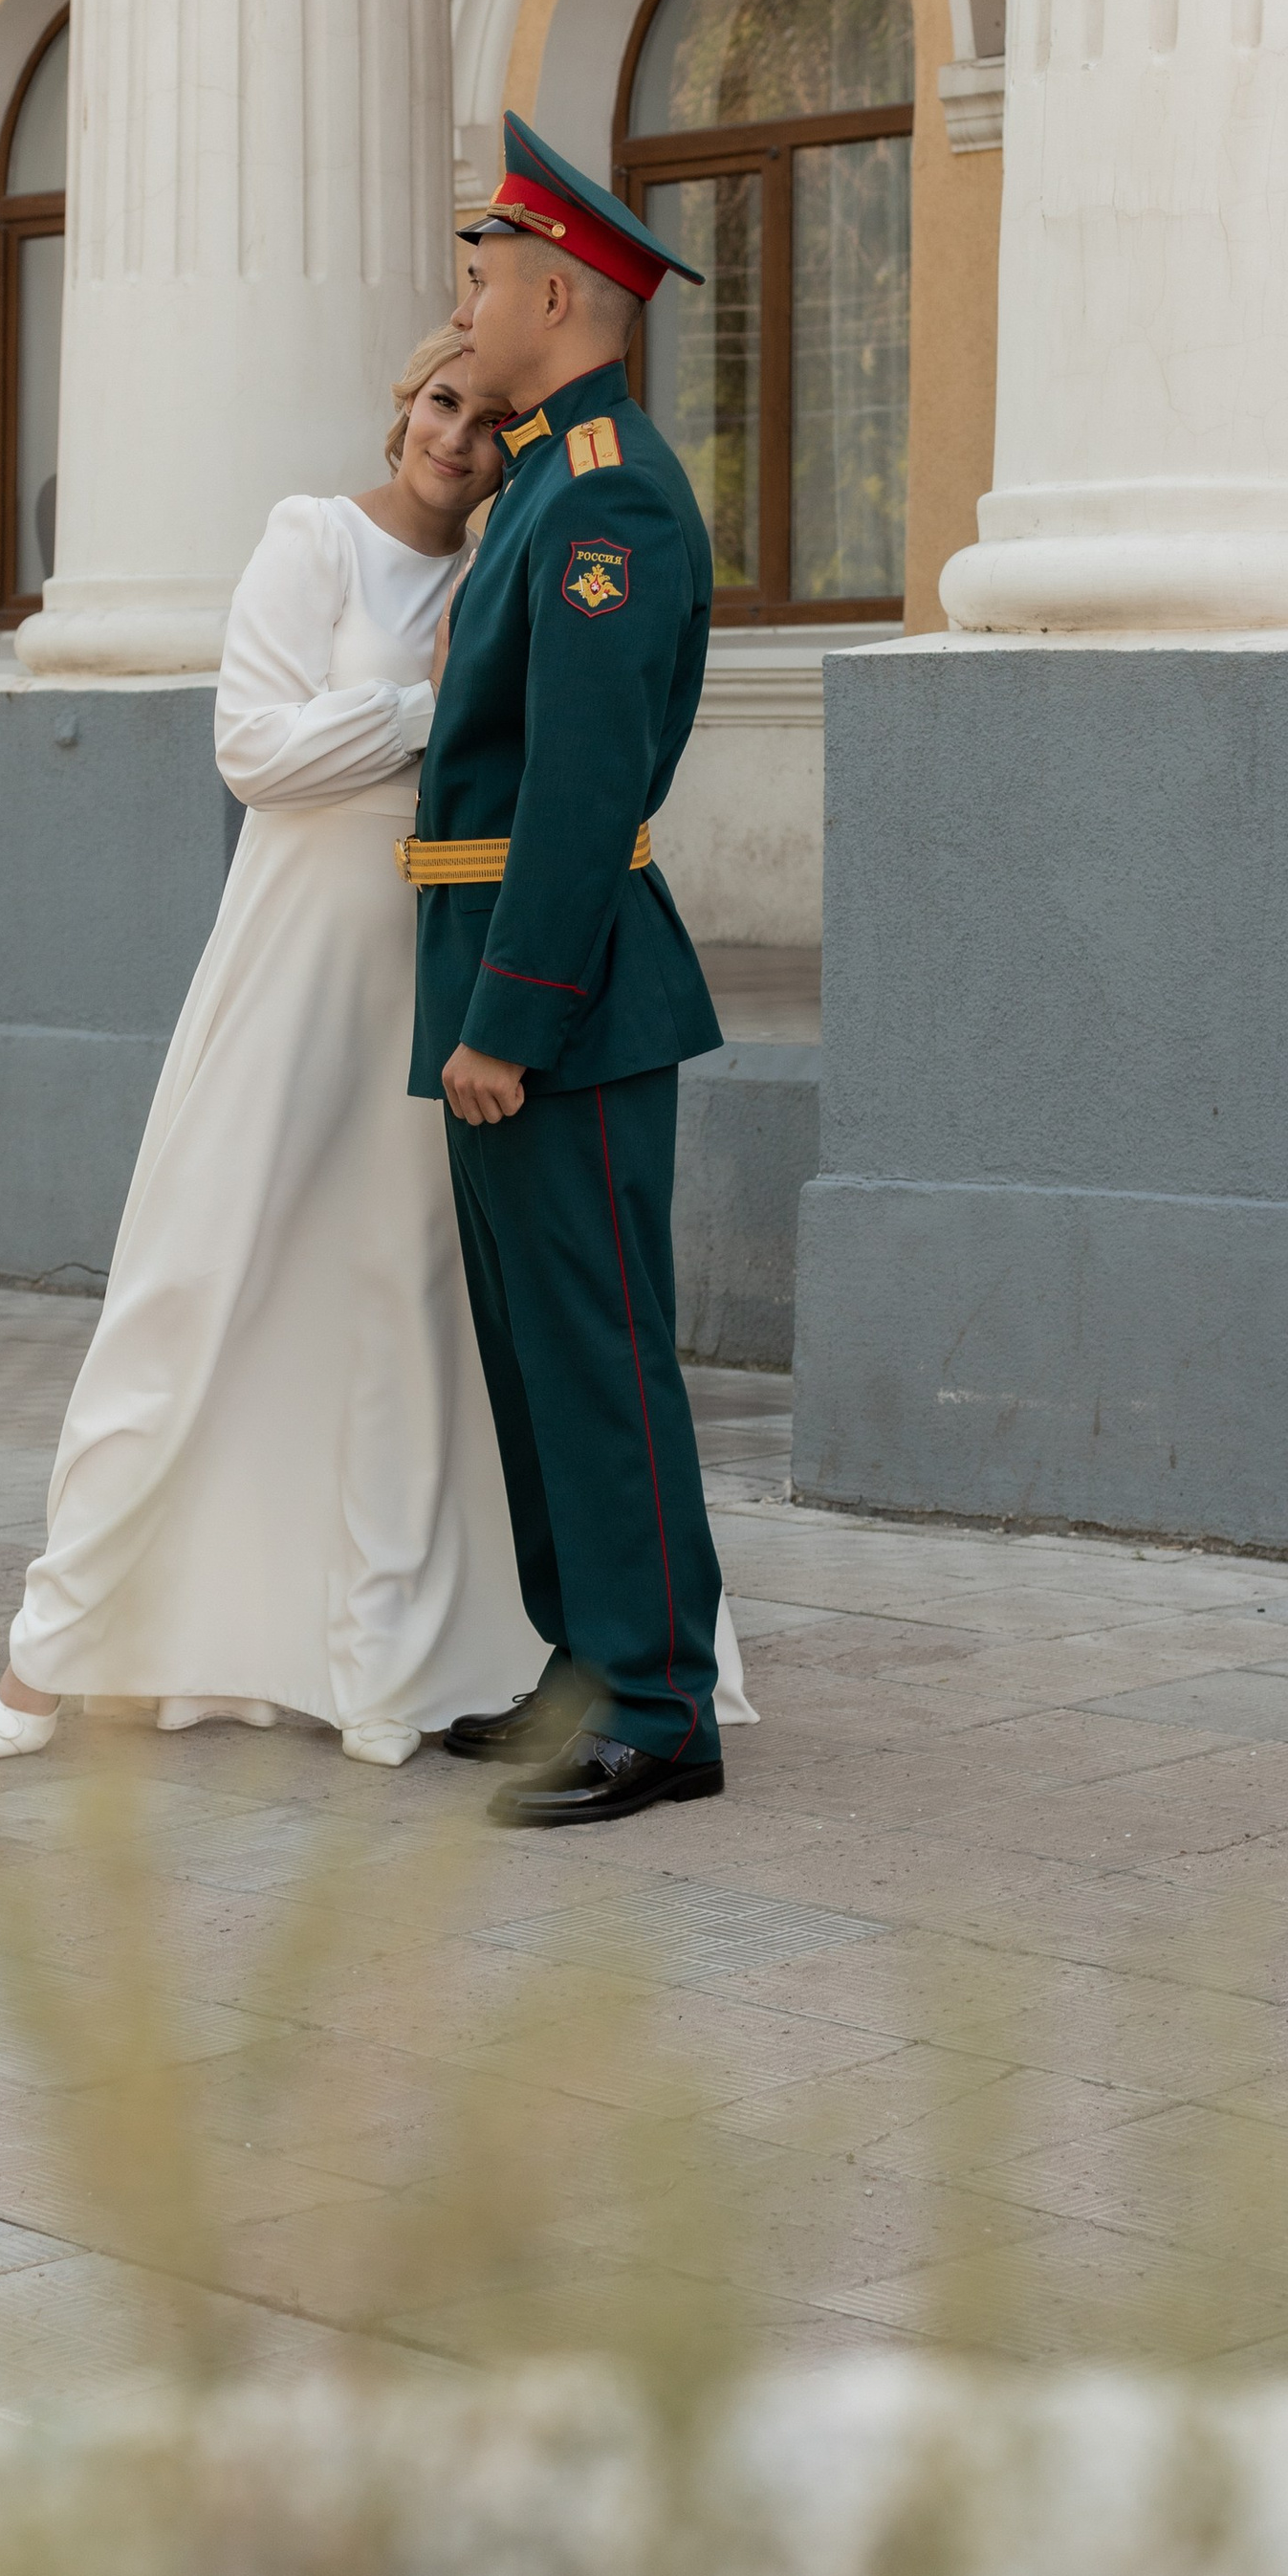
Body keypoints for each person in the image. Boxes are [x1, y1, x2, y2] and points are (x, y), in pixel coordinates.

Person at [0, 332, 541, 1769]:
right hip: (286, 966)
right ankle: (51, 1651)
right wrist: (429, 707)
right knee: (197, 1272)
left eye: (489, 422)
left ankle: (378, 1662)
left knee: (400, 1296)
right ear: (404, 403)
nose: (457, 438)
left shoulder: (497, 579)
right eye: (443, 403)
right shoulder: (314, 541)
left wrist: (431, 715)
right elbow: (258, 753)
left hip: (419, 970)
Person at [410, 109, 736, 1831]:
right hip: (507, 975)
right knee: (537, 1354)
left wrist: (512, 1014)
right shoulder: (543, 476)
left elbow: (583, 783)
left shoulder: (607, 495)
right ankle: (586, 1666)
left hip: (568, 995)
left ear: (552, 293)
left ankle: (662, 1704)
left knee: (599, 1356)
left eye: (482, 282)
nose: (463, 309)